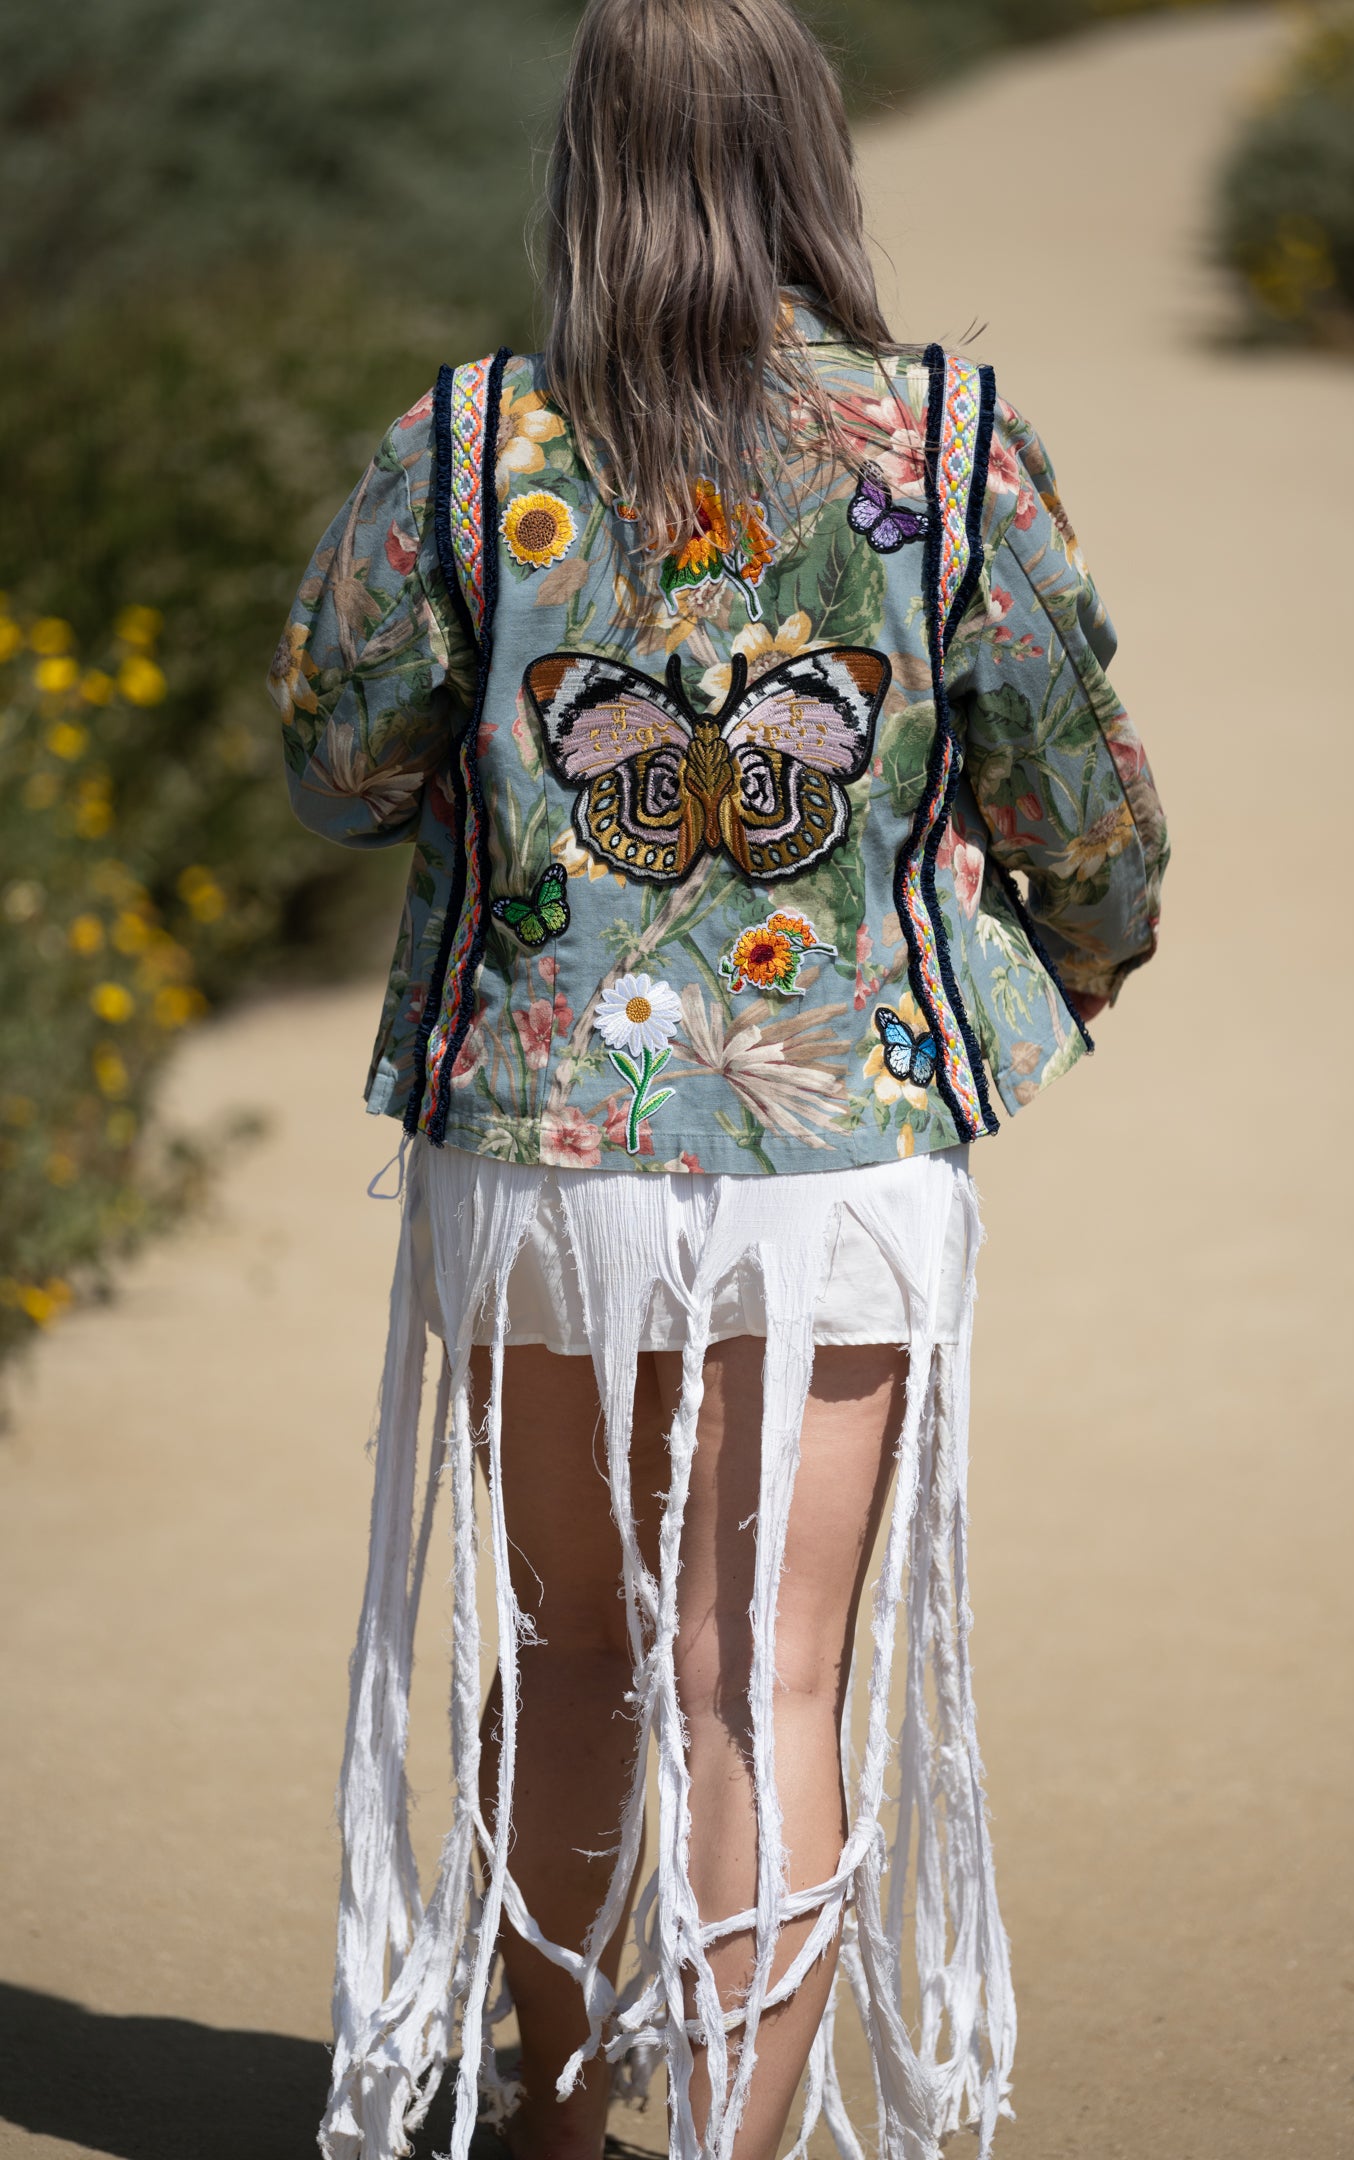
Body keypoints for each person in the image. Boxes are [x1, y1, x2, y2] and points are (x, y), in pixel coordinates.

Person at [268, 1, 1168, 2155]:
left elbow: (335, 766)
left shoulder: (467, 446)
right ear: (808, 150)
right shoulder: (942, 446)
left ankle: (556, 2134)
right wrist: (1064, 971)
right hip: (840, 1153)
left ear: (585, 158)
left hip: (540, 1148)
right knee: (761, 1678)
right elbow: (1085, 804)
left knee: (574, 1652)